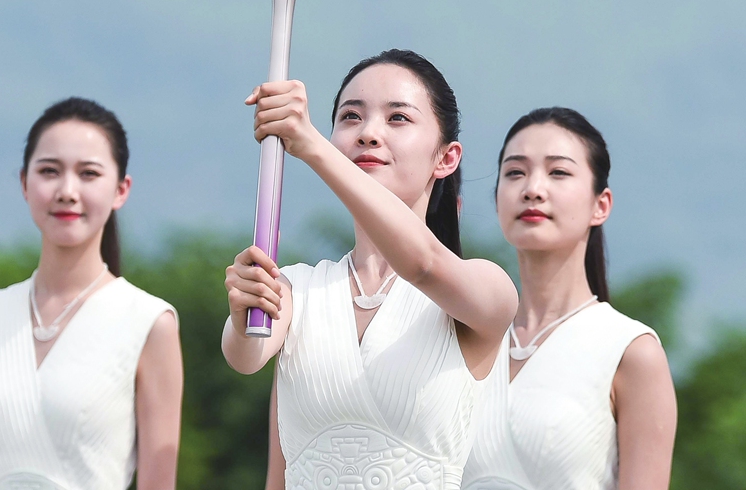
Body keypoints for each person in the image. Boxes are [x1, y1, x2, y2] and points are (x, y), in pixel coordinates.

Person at [222, 49, 518, 490]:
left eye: (397, 118)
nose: (368, 134)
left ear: (446, 157)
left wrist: (314, 148)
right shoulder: (295, 288)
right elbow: (244, 356)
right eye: (351, 117)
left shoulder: (484, 288)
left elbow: (423, 264)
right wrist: (246, 307)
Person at [0, 98, 183, 490]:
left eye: (89, 173)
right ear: (24, 183)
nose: (67, 191)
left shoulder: (149, 321)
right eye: (49, 171)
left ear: (121, 189)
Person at [461, 108, 676, 490]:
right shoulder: (462, 336)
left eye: (558, 172)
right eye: (515, 172)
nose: (533, 188)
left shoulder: (630, 351)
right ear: (496, 201)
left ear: (601, 205)